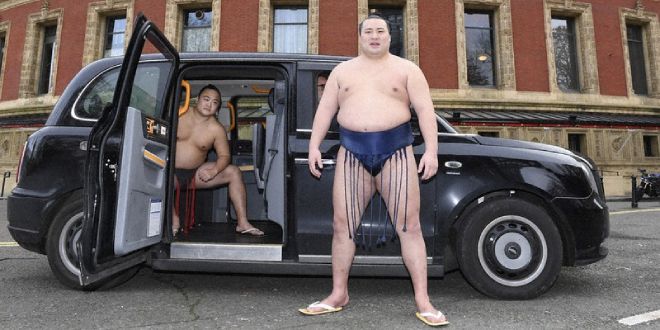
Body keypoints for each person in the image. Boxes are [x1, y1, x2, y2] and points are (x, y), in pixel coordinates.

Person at [298, 15, 448, 327]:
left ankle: (423, 300)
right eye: (369, 31)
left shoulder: (407, 70)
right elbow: (326, 109)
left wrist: (432, 151)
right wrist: (313, 146)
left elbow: (425, 111)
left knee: (410, 227)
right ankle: (338, 293)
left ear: (390, 37)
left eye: (381, 31)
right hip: (352, 153)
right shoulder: (342, 72)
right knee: (343, 226)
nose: (375, 36)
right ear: (360, 37)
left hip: (397, 153)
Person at [173, 84, 264, 237]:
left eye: (215, 102)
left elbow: (225, 157)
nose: (209, 105)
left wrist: (213, 171)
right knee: (161, 174)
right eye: (206, 99)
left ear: (218, 108)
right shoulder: (180, 115)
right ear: (197, 100)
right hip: (170, 173)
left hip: (195, 175)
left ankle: (242, 223)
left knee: (234, 172)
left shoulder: (216, 129)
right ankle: (174, 221)